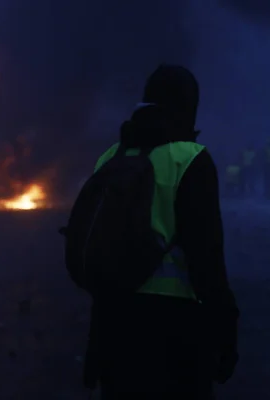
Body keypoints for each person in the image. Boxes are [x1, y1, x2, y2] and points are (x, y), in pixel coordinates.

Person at [81, 65, 239, 399]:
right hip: (175, 327)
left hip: (115, 322)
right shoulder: (191, 158)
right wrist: (226, 329)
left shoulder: (111, 157)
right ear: (187, 107)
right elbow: (206, 257)